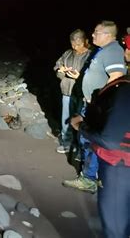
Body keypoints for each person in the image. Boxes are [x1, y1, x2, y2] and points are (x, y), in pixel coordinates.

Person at [63, 21, 127, 193]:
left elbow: (116, 77)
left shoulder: (113, 50)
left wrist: (100, 103)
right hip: (92, 104)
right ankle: (94, 175)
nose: (92, 35)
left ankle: (89, 179)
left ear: (107, 35)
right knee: (88, 140)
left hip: (97, 107)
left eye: (96, 32)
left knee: (91, 140)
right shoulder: (103, 50)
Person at [70, 75, 130, 238]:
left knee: (115, 228)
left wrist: (81, 126)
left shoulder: (125, 92)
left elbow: (109, 140)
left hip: (119, 166)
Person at [53, 29, 91, 154]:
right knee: (66, 119)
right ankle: (67, 143)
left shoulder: (90, 56)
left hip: (82, 95)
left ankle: (80, 148)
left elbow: (93, 77)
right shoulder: (68, 53)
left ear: (85, 41)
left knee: (80, 121)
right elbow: (57, 66)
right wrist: (60, 70)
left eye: (78, 44)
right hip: (67, 92)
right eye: (73, 44)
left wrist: (79, 76)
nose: (75, 47)